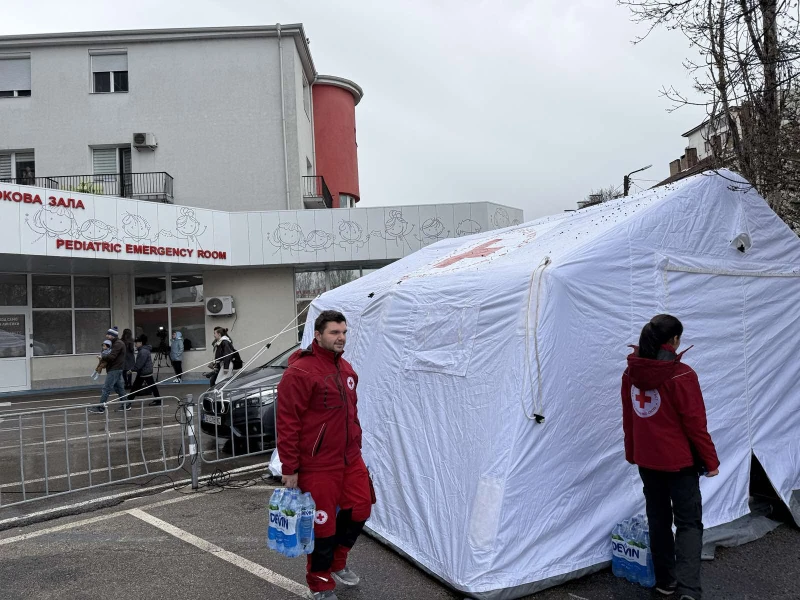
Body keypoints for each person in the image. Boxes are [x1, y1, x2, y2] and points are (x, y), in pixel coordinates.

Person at [277, 310, 374, 600]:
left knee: (361, 508)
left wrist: (355, 442)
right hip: (317, 464)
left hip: (349, 458)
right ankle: (319, 581)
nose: (341, 337)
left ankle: (336, 562)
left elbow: (351, 415)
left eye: (344, 332)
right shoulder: (300, 372)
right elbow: (287, 421)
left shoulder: (346, 370)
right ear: (318, 335)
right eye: (334, 332)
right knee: (324, 524)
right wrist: (290, 467)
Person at [622, 314, 720, 600]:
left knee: (658, 519)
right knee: (689, 523)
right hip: (680, 463)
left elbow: (629, 418)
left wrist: (632, 453)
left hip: (647, 461)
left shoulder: (630, 374)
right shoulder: (682, 375)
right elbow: (695, 424)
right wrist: (711, 462)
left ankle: (666, 582)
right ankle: (688, 591)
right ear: (673, 341)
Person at [89, 327, 126, 413]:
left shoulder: (118, 344)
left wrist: (102, 357)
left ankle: (101, 407)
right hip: (115, 368)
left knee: (106, 388)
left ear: (113, 335)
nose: (107, 336)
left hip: (114, 369)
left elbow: (112, 357)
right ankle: (126, 404)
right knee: (119, 388)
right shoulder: (113, 343)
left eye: (109, 334)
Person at [127, 334, 162, 408]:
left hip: (144, 372)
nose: (135, 344)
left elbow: (139, 364)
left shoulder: (143, 351)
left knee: (135, 387)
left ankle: (128, 402)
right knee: (151, 386)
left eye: (136, 343)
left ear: (141, 343)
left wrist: (131, 370)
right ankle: (158, 400)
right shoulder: (144, 350)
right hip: (145, 371)